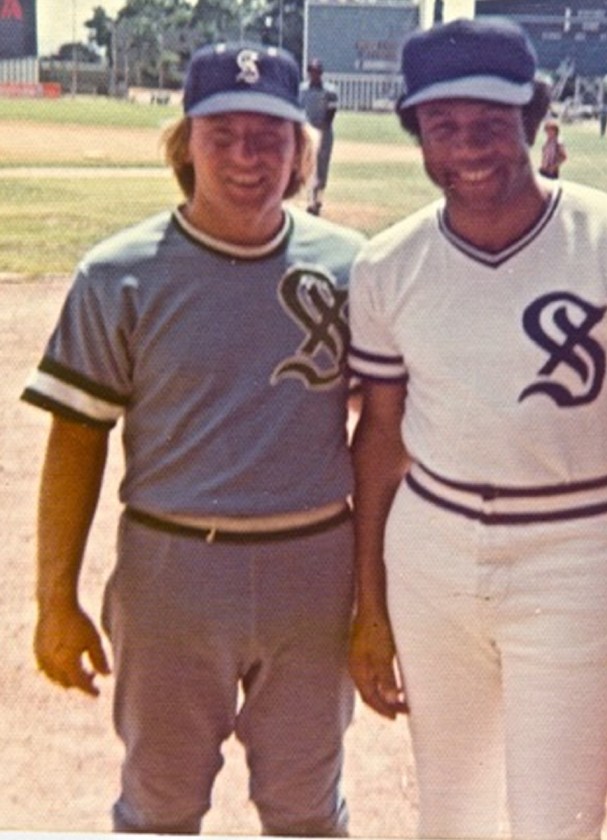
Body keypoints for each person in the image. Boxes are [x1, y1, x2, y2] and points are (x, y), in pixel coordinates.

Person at [347, 17, 607, 840]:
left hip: (573, 551)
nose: (468, 146)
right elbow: (377, 440)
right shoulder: (388, 265)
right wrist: (369, 608)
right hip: (429, 549)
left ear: (533, 118)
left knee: (559, 817)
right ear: (415, 132)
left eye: (491, 122)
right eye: (442, 126)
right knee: (453, 810)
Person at [22, 42, 365, 836]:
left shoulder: (354, 268)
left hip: (312, 567)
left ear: (300, 151)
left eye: (270, 136)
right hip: (173, 568)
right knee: (160, 806)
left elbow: (389, 429)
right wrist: (54, 600)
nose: (248, 156)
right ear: (185, 145)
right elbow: (77, 439)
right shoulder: (119, 273)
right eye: (222, 135)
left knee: (308, 808)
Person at [300, 58, 338, 215]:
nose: (314, 74)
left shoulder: (329, 91)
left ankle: (319, 198)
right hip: (308, 131)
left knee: (322, 165)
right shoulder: (302, 89)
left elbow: (332, 111)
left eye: (317, 71)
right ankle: (311, 200)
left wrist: (324, 126)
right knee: (309, 165)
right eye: (312, 71)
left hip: (324, 131)